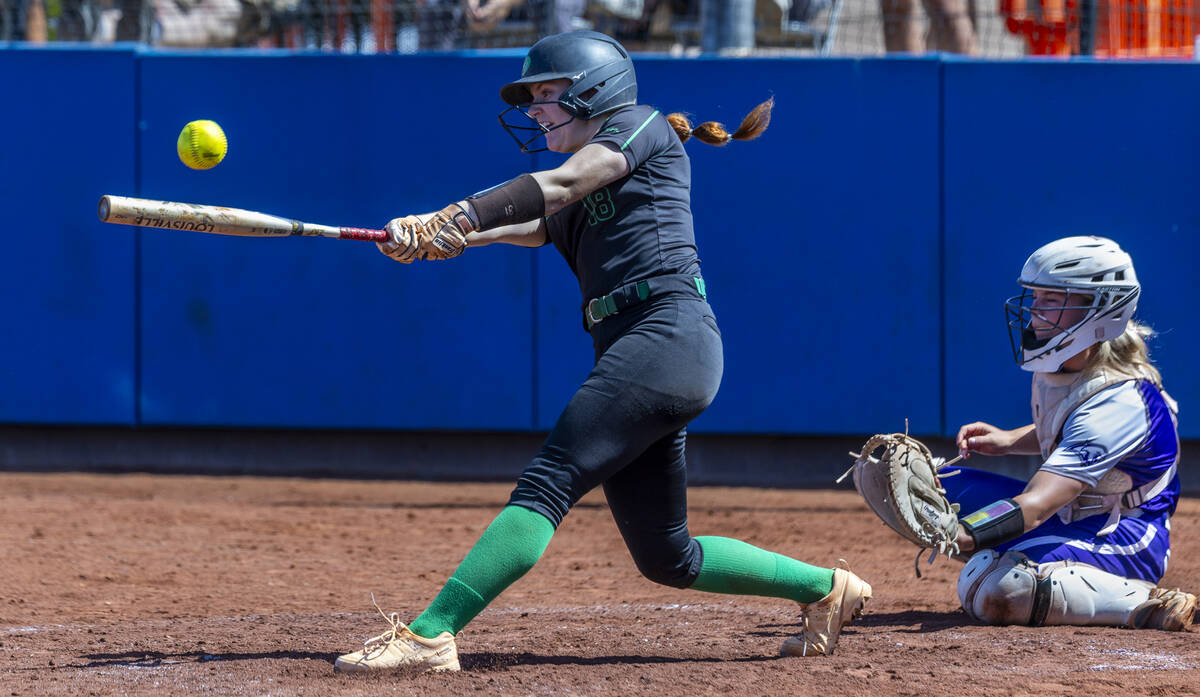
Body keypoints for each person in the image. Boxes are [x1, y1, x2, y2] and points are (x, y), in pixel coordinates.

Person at [334, 29, 872, 673]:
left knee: (547, 482)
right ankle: (826, 589)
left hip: (664, 336)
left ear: (596, 91)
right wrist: (440, 237)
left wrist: (458, 214)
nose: (534, 110)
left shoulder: (639, 126)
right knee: (667, 556)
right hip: (642, 346)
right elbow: (537, 222)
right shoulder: (584, 180)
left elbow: (559, 184)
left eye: (547, 93)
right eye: (530, 97)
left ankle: (431, 635)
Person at [945, 236, 1195, 630]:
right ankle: (1033, 558)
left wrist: (962, 534)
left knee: (998, 590)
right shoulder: (1070, 365)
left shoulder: (1121, 401)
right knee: (929, 485)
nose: (1032, 312)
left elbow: (1038, 504)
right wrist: (1011, 440)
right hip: (1072, 513)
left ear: (1099, 310)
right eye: (1035, 297)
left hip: (1123, 533)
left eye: (1050, 299)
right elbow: (1069, 426)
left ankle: (1143, 600)